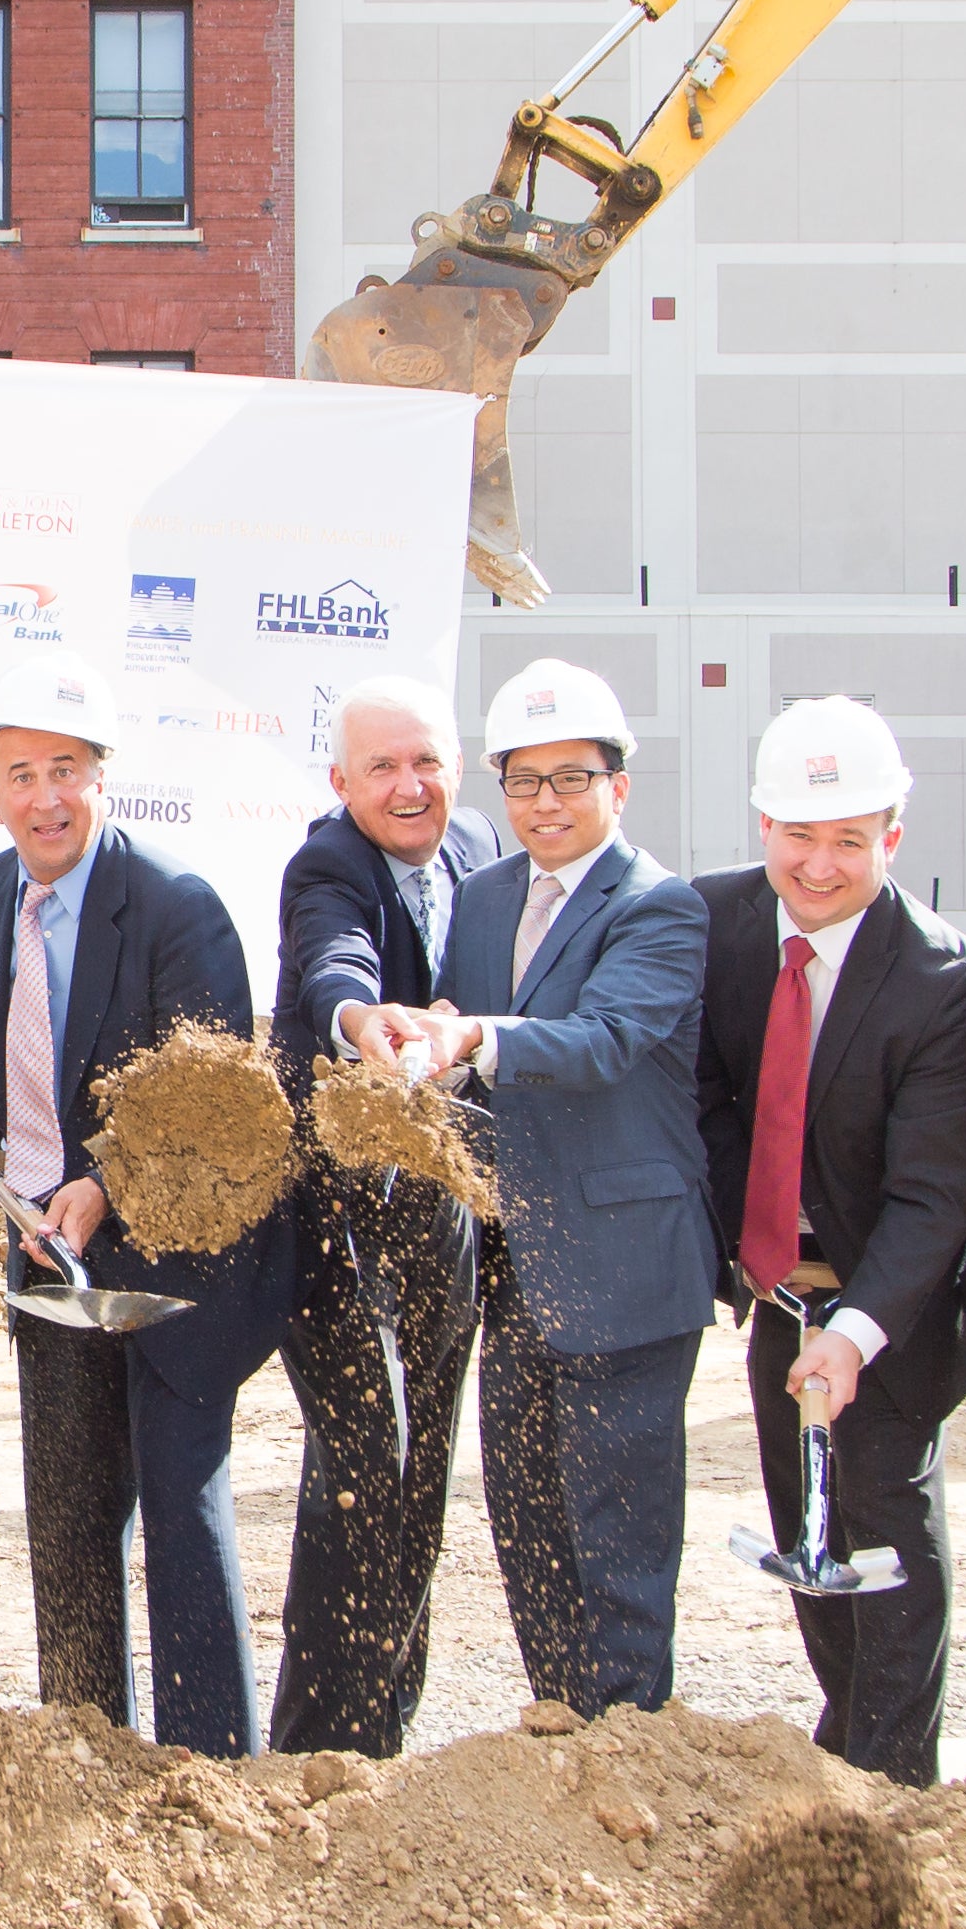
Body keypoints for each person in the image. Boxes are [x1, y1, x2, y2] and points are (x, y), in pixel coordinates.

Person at [0, 660, 294, 1755]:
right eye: (19, 775)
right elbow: (7, 1032)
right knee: (66, 1520)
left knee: (179, 1520)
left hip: (170, 1256)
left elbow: (213, 1105)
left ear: (102, 779)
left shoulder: (178, 909)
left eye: (65, 771)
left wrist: (98, 1185)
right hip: (43, 1250)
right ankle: (85, 1746)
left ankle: (208, 1769)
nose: (43, 798)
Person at [360, 658, 708, 1722]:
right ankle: (561, 1727)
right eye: (524, 782)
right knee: (528, 1522)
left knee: (616, 1531)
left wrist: (472, 1036)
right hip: (512, 1263)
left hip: (622, 1266)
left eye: (572, 779)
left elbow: (602, 1041)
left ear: (619, 786)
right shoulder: (486, 895)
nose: (546, 804)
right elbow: (461, 1050)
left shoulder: (660, 908)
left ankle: (628, 1744)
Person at [691, 696, 966, 1791]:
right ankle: (847, 1745)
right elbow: (711, 1097)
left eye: (848, 842)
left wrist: (859, 1333)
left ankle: (890, 1790)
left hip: (897, 1301)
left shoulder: (941, 981)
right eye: (796, 836)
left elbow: (935, 1197)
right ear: (760, 824)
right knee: (806, 1532)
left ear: (891, 838)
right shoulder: (716, 925)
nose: (817, 867)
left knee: (885, 1538)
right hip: (783, 1296)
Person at [267, 675, 493, 1756]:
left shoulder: (481, 851)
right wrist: (367, 1022)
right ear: (339, 781)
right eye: (382, 769)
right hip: (328, 1201)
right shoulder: (326, 863)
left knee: (424, 1460)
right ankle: (320, 1745)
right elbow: (331, 963)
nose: (409, 788)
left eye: (426, 763)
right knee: (368, 1451)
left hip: (437, 1198)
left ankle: (385, 1727)